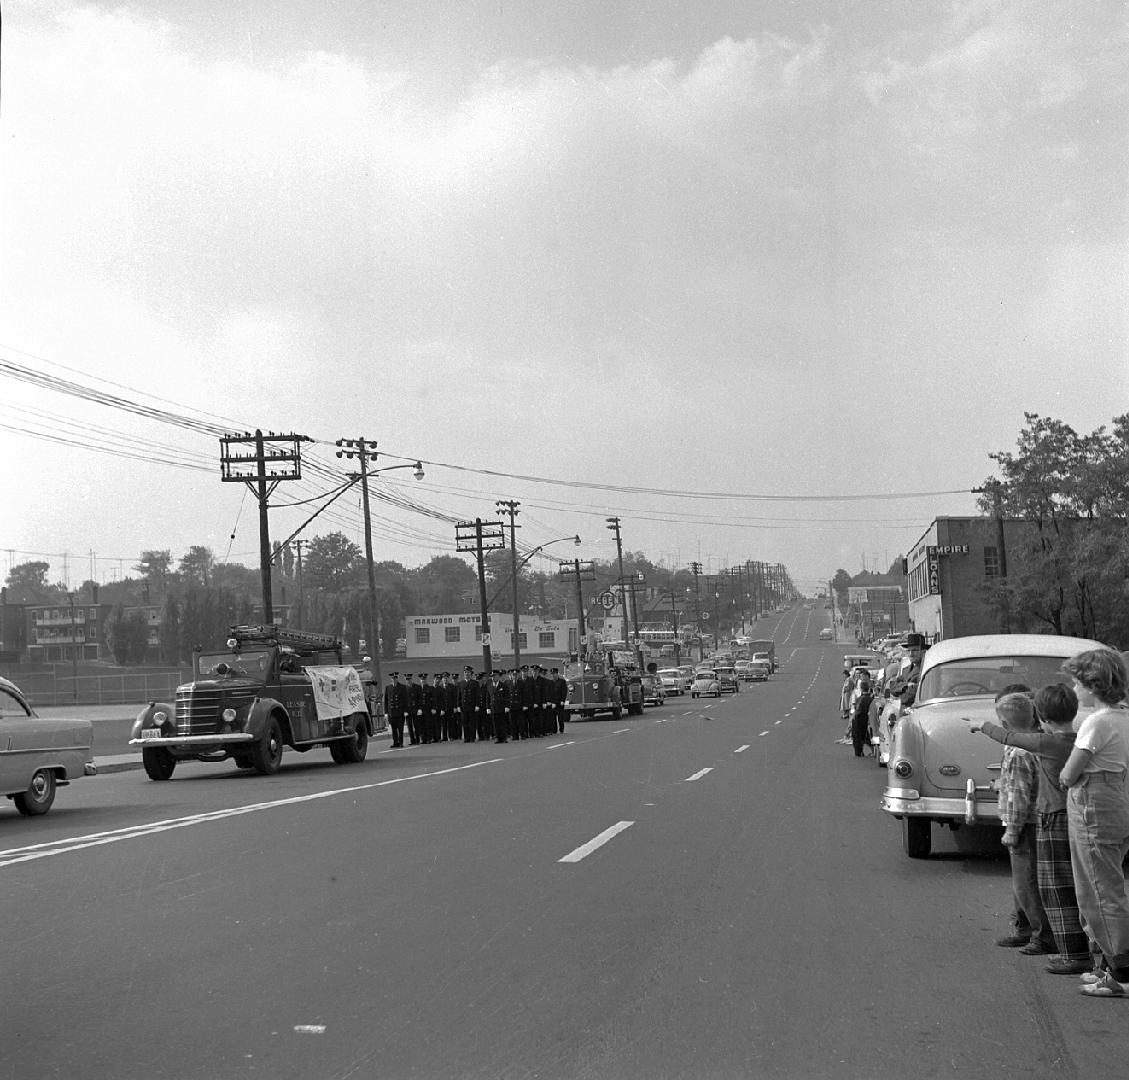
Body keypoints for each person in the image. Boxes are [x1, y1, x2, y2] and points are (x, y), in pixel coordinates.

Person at [968, 683, 1089, 973]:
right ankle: (1032, 927)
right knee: (1035, 883)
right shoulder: (1057, 742)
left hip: (1037, 820)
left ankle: (1049, 937)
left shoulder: (1033, 747)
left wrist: (1012, 827)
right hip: (1049, 817)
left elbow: (1021, 790)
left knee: (1037, 884)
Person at [1058, 648, 1129, 997]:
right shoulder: (1122, 717)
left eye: (1077, 681)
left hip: (1093, 801)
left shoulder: (1096, 722)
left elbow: (1070, 773)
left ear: (1092, 684)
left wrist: (1063, 774)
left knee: (1099, 891)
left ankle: (1122, 971)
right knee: (1108, 882)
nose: (1074, 688)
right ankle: (1108, 964)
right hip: (1115, 796)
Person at [981, 692, 1056, 955]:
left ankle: (1042, 934)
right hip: (1034, 820)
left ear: (1004, 725)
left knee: (1026, 883)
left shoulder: (1018, 752)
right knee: (1023, 882)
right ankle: (1026, 928)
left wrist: (1012, 830)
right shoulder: (1034, 744)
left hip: (1025, 824)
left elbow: (1019, 796)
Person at [383, 671, 409, 749]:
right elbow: (386, 700)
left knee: (400, 728)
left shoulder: (402, 687)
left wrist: (405, 710)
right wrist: (386, 712)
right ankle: (395, 742)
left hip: (400, 711)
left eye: (395, 678)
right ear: (391, 679)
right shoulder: (388, 688)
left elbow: (405, 700)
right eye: (393, 678)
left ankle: (400, 742)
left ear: (397, 678)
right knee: (393, 729)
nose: (394, 679)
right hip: (392, 712)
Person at [850, 677, 874, 757]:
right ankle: (873, 750)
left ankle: (859, 752)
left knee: (858, 737)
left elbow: (858, 711)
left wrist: (853, 718)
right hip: (869, 720)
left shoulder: (861, 699)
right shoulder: (872, 699)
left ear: (861, 689)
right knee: (868, 737)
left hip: (860, 720)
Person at [459, 666, 480, 743]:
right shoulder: (461, 683)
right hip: (464, 706)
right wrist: (458, 705)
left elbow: (477, 695)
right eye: (465, 672)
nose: (466, 674)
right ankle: (466, 737)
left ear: (471, 674)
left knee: (472, 722)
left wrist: (477, 705)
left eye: (468, 672)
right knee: (465, 722)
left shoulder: (475, 683)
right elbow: (459, 695)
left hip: (472, 705)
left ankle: (472, 737)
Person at [405, 672, 422, 745]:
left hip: (415, 709)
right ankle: (412, 740)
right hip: (408, 710)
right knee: (409, 726)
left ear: (412, 679)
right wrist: (404, 710)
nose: (408, 680)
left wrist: (420, 708)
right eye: (407, 679)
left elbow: (420, 699)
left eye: (409, 679)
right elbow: (403, 700)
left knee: (416, 725)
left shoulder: (417, 687)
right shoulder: (404, 688)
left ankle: (418, 739)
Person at [552, 667, 569, 733]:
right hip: (553, 703)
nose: (554, 675)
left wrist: (563, 700)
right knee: (553, 718)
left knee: (560, 718)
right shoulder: (551, 682)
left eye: (555, 673)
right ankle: (554, 730)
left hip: (560, 702)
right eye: (553, 674)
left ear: (557, 674)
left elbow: (564, 692)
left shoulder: (562, 682)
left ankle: (561, 729)